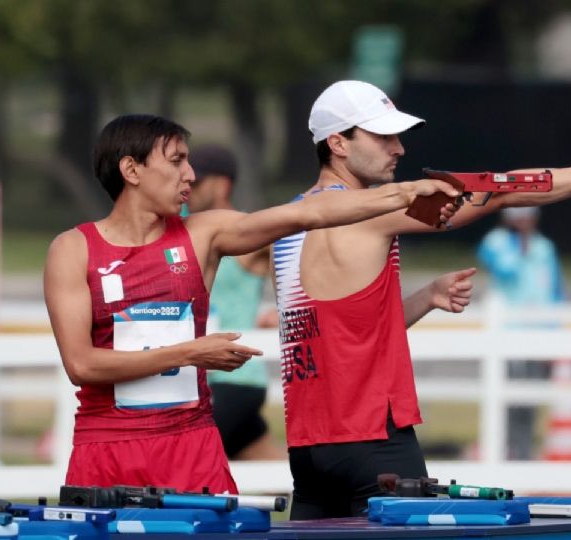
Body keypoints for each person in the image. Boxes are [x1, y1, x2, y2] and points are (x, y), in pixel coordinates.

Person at [275, 79, 571, 519]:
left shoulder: (290, 223)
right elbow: (499, 193)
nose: (399, 148)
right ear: (337, 143)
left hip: (309, 451)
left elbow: (345, 333)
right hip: (373, 443)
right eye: (383, 136)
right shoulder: (374, 211)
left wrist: (425, 297)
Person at [43, 114, 461, 493]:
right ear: (131, 170)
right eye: (176, 161)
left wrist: (404, 193)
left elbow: (307, 214)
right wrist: (191, 352)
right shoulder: (74, 249)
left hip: (193, 448)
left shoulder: (204, 233)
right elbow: (82, 365)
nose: (190, 175)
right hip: (106, 448)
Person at [186, 144, 285, 461]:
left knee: (186, 464)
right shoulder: (181, 228)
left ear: (222, 184)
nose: (189, 188)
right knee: (281, 474)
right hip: (198, 374)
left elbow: (309, 258)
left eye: (197, 183)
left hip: (235, 378)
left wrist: (287, 312)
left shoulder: (249, 233)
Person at [477, 206, 564, 460]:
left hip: (540, 334)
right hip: (508, 334)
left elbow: (555, 291)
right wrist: (520, 244)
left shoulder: (544, 247)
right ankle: (505, 451)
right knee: (507, 401)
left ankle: (524, 453)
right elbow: (505, 271)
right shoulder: (495, 242)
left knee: (530, 400)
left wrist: (556, 335)